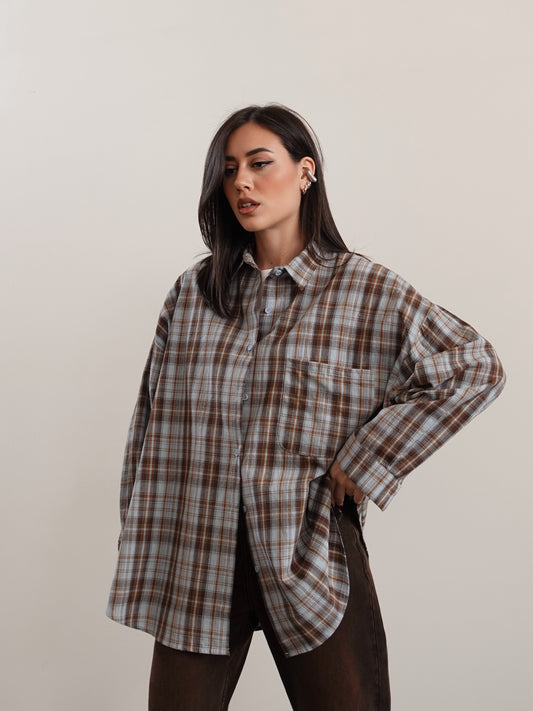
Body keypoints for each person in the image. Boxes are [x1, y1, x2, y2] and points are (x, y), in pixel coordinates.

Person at [106, 104, 506, 710]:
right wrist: (139, 530)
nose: (242, 182)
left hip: (309, 548)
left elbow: (473, 366)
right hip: (196, 549)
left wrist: (370, 458)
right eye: (229, 170)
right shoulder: (194, 294)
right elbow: (150, 422)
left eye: (260, 164)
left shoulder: (365, 291)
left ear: (305, 172)